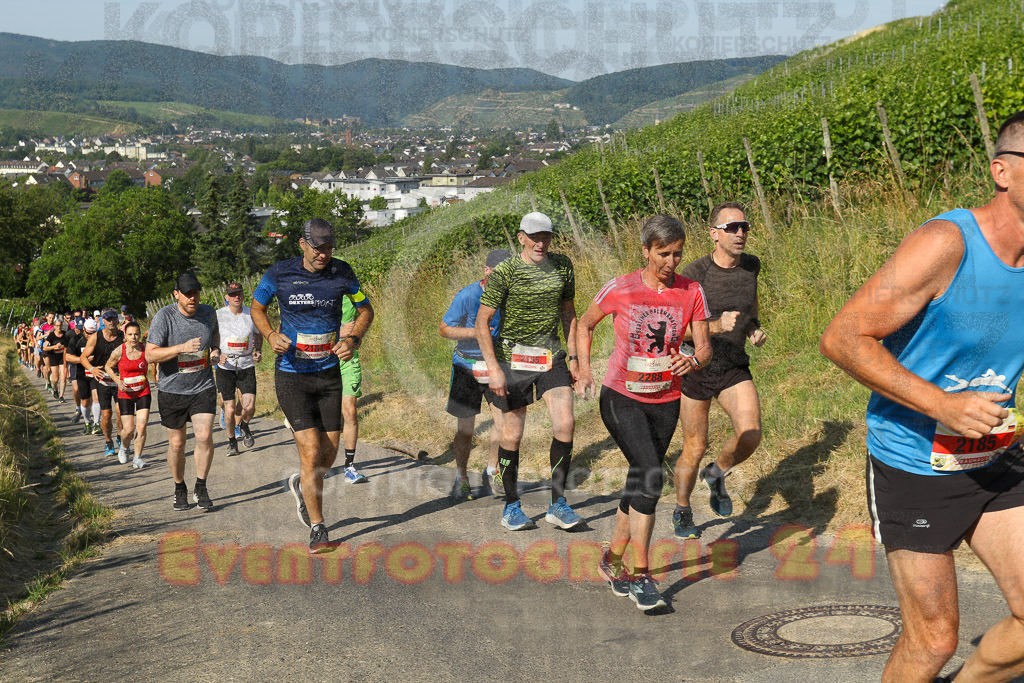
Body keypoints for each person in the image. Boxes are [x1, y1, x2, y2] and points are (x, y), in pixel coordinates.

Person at [820, 111, 1024, 682]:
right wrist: (942, 404)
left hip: (996, 454)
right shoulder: (946, 243)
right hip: (914, 463)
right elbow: (842, 337)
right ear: (1001, 171)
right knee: (933, 641)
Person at [576, 215, 712, 610]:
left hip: (666, 400)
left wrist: (695, 362)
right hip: (621, 397)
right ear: (646, 251)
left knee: (640, 479)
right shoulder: (621, 288)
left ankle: (611, 560)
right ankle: (641, 576)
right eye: (664, 254)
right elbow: (584, 325)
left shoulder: (692, 291)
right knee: (652, 475)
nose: (672, 262)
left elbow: (703, 347)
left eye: (678, 254)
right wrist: (583, 369)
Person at [251, 218, 373, 548]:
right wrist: (270, 334)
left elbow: (366, 310)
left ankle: (305, 488)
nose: (324, 255)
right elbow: (257, 307)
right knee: (311, 450)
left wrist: (354, 340)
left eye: (329, 248)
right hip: (292, 375)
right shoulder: (279, 273)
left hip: (329, 373)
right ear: (303, 244)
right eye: (319, 248)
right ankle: (318, 527)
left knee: (329, 455)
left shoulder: (343, 272)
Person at [476, 212, 583, 531]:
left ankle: (558, 504)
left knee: (566, 423)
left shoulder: (563, 266)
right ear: (521, 237)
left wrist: (575, 357)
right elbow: (482, 323)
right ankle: (511, 506)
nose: (541, 242)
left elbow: (569, 314)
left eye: (546, 236)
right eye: (534, 236)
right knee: (513, 433)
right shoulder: (506, 271)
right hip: (513, 359)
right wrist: (494, 369)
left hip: (552, 356)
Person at [670, 201, 767, 539]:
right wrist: (713, 326)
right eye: (732, 228)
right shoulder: (694, 274)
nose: (740, 233)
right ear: (714, 234)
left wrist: (754, 327)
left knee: (751, 433)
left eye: (744, 227)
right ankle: (682, 509)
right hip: (696, 364)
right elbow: (675, 329)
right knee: (694, 445)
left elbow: (750, 306)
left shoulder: (752, 266)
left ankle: (717, 473)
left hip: (733, 365)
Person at [146, 272, 221, 511]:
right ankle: (179, 487)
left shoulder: (209, 313)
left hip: (203, 386)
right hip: (172, 390)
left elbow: (215, 337)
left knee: (203, 436)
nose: (192, 298)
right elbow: (150, 354)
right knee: (177, 443)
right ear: (176, 294)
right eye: (187, 294)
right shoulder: (164, 316)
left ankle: (201, 486)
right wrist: (181, 348)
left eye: (195, 293)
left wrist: (216, 351)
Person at [439, 249, 510, 501]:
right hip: (466, 365)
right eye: (499, 273)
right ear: (487, 271)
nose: (505, 278)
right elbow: (444, 329)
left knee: (503, 425)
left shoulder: (508, 295)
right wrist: (477, 333)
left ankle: (493, 470)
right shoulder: (468, 295)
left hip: (495, 366)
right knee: (466, 429)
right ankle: (461, 476)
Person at [215, 282, 262, 456]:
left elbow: (258, 334)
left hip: (246, 364)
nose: (236, 297)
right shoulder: (218, 315)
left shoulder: (252, 314)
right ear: (226, 297)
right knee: (230, 408)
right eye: (232, 294)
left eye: (239, 293)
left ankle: (243, 425)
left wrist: (258, 350)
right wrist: (217, 353)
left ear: (243, 295)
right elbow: (211, 338)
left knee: (249, 406)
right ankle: (231, 442)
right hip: (225, 366)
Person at [105, 320, 151, 468]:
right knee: (129, 430)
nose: (133, 337)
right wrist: (118, 381)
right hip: (126, 393)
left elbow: (157, 359)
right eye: (130, 334)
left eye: (136, 334)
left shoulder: (146, 349)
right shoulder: (120, 350)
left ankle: (138, 458)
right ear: (125, 335)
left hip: (143, 391)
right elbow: (108, 367)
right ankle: (124, 447)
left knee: (142, 426)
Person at [82, 309, 125, 457]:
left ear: (117, 320)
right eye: (108, 319)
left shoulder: (123, 336)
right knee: (106, 415)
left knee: (120, 412)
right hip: (103, 380)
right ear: (103, 321)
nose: (111, 321)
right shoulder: (95, 337)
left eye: (114, 318)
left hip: (119, 380)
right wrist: (92, 369)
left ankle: (119, 436)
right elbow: (83, 357)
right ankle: (108, 442)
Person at [336, 293, 368, 484]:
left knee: (350, 411)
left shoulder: (353, 291)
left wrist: (356, 337)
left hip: (348, 359)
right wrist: (340, 332)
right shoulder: (314, 290)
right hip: (322, 359)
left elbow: (366, 314)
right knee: (327, 417)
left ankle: (349, 467)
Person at [65, 318, 95, 429]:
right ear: (84, 330)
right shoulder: (75, 339)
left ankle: (96, 423)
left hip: (95, 373)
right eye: (88, 333)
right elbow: (68, 356)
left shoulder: (98, 339)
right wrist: (83, 360)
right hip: (81, 372)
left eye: (93, 333)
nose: (91, 336)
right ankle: (86, 421)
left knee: (96, 397)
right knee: (85, 399)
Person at [42, 319, 69, 402]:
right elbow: (45, 347)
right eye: (57, 326)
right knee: (55, 379)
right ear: (54, 326)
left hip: (62, 357)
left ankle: (61, 396)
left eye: (60, 325)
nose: (58, 327)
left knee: (63, 377)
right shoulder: (51, 336)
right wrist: (54, 347)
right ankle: (55, 390)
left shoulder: (65, 335)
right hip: (53, 357)